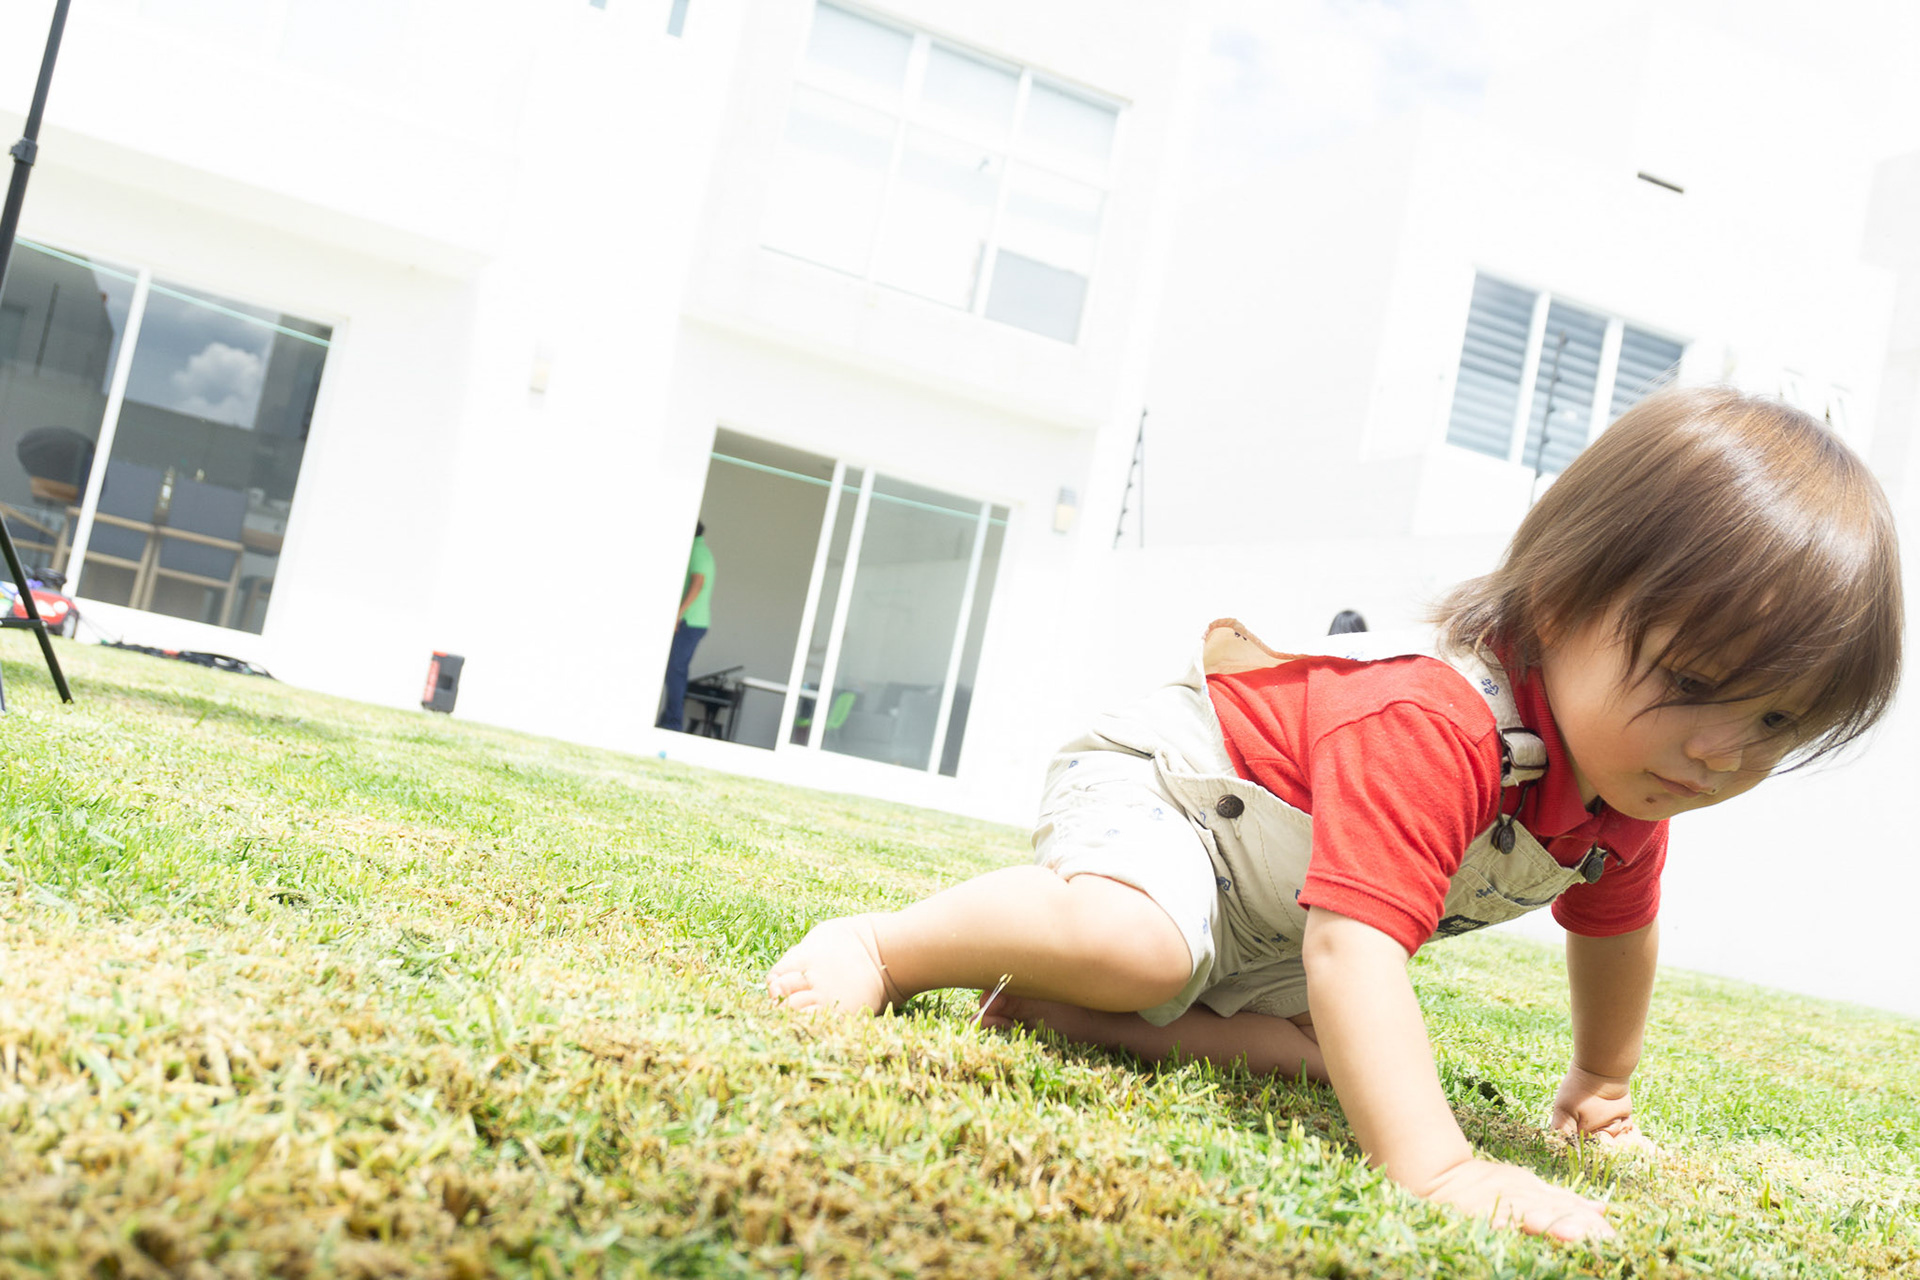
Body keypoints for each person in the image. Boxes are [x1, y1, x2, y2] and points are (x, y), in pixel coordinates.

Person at [766, 388, 1904, 1242]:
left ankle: (1078, 1018)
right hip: (1179, 796)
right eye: (1696, 685)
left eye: (1776, 724)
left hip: (1266, 909)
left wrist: (1599, 1089)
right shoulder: (1436, 724)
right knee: (1141, 938)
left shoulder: (1626, 793)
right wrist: (1445, 1172)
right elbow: (1353, 944)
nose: (1722, 753)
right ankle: (884, 943)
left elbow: (1617, 931)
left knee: (1316, 1053)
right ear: (1560, 602)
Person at [658, 521, 715, 732]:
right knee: (675, 670)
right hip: (693, 622)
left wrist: (678, 614)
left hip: (690, 622)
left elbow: (697, 583)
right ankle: (669, 719)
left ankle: (672, 723)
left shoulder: (698, 552)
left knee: (675, 670)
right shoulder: (699, 550)